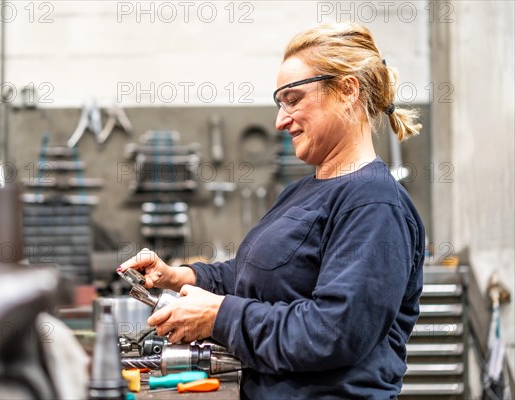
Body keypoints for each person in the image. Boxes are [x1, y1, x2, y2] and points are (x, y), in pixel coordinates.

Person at [119, 21, 425, 399]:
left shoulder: (374, 204)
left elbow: (333, 332)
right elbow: (257, 274)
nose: (280, 121)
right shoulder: (303, 191)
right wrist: (179, 277)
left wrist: (218, 316)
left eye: (293, 99)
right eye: (280, 103)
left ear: (347, 90)